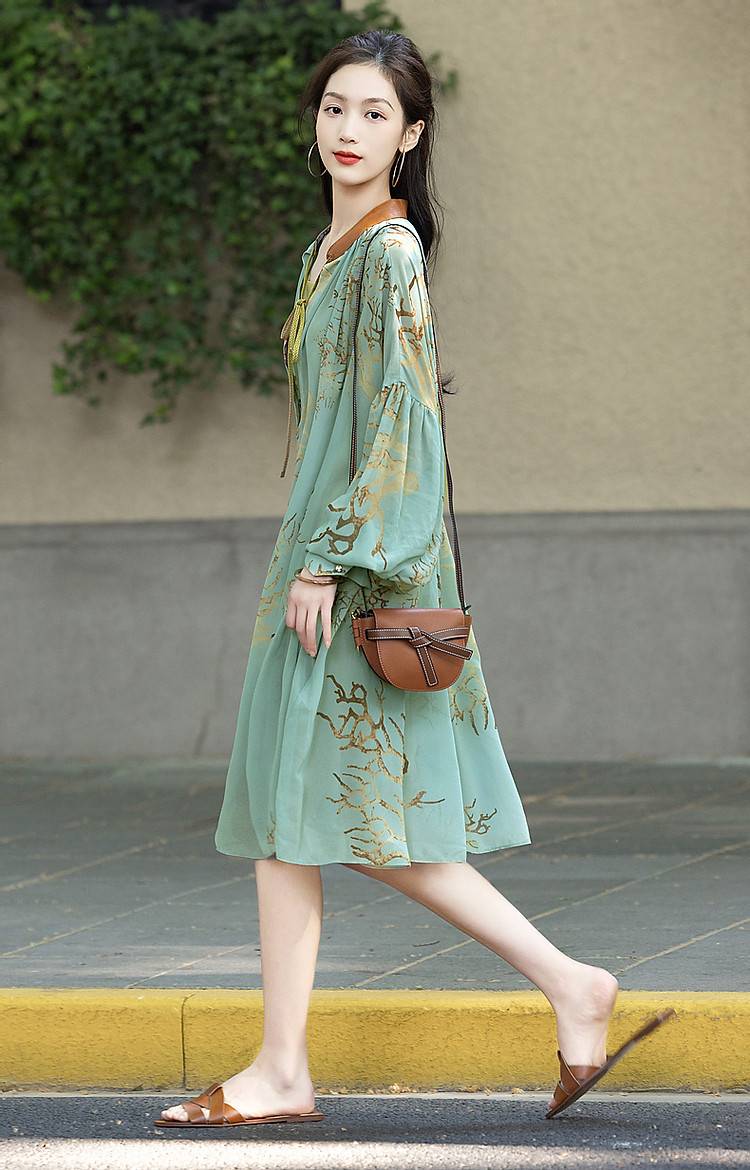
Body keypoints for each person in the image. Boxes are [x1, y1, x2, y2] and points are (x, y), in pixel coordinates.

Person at [157, 29, 672, 1130]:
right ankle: (297, 1064)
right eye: (335, 108)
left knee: (329, 818)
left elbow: (404, 425)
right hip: (323, 557)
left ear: (412, 134)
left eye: (375, 113)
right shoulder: (329, 249)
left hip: (354, 570)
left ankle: (557, 988)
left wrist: (330, 557)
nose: (348, 130)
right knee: (295, 819)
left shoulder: (387, 253)